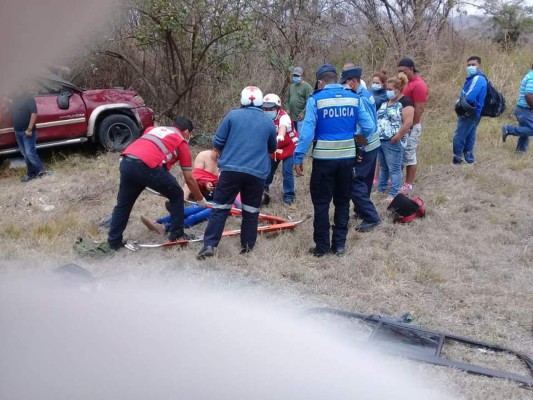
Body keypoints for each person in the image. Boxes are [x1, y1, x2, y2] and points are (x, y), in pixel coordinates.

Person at [294, 64, 375, 257]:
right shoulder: (355, 99)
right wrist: (357, 143)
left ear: (320, 82)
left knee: (321, 204)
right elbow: (369, 128)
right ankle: (339, 246)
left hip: (323, 161)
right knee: (342, 202)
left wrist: (298, 157)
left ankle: (321, 247)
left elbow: (306, 134)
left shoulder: (315, 100)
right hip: (347, 161)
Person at [197, 86, 277, 259]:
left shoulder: (232, 115)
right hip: (257, 173)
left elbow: (217, 141)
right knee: (251, 211)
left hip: (231, 170)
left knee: (220, 208)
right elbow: (272, 147)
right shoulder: (268, 122)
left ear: (242, 101)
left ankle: (209, 245)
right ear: (260, 102)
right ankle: (247, 249)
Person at [107, 117, 207, 250]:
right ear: (187, 132)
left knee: (123, 205)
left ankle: (114, 241)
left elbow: (150, 150)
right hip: (146, 165)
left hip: (127, 161)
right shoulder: (180, 141)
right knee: (177, 194)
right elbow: (189, 178)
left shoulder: (152, 129)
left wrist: (164, 188)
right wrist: (200, 199)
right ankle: (177, 235)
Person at [339, 67, 381, 232]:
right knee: (366, 180)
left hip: (366, 145)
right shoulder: (366, 93)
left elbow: (368, 127)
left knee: (355, 182)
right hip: (373, 144)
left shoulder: (361, 98)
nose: (344, 86)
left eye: (345, 83)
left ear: (353, 81)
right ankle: (361, 211)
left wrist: (359, 146)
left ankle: (371, 217)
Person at [376, 74, 414, 201]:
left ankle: (394, 193)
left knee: (394, 168)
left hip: (393, 141)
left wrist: (397, 136)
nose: (388, 91)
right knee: (383, 167)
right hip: (381, 140)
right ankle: (381, 189)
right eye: (387, 89)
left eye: (390, 89)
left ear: (398, 89)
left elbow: (408, 122)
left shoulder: (405, 103)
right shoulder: (385, 103)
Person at [397, 58, 428, 193]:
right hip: (401, 125)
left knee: (410, 154)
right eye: (398, 72)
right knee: (399, 153)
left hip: (411, 126)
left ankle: (408, 183)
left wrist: (410, 126)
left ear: (411, 69)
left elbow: (419, 108)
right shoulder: (403, 83)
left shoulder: (418, 85)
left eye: (403, 71)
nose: (400, 74)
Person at [262, 93, 299, 206]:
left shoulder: (284, 116)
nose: (268, 111)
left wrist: (280, 135)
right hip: (274, 147)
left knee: (287, 171)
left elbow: (283, 126)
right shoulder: (263, 117)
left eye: (271, 109)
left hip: (289, 146)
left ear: (277, 108)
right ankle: (263, 192)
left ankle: (289, 196)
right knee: (268, 170)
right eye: (265, 108)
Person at [452, 56, 488, 164]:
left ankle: (457, 159)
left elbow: (469, 98)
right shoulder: (473, 78)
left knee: (459, 135)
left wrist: (458, 103)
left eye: (473, 64)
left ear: (479, 66)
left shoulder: (478, 78)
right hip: (475, 112)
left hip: (469, 112)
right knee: (470, 134)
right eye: (468, 65)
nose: (470, 67)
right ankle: (469, 159)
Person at [11, 89, 45, 182]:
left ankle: (41, 171)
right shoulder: (14, 99)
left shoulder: (28, 98)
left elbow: (34, 114)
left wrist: (29, 129)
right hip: (18, 131)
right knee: (25, 154)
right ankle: (31, 174)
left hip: (27, 132)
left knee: (30, 153)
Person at [502, 64, 533, 152]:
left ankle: (520, 152)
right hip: (525, 110)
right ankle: (509, 129)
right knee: (530, 129)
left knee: (525, 131)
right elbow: (528, 95)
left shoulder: (530, 75)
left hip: (523, 109)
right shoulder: (532, 78)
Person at [287, 67, 313, 133]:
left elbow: (310, 102)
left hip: (301, 118)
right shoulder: (292, 87)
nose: (295, 77)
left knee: (301, 136)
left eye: (297, 76)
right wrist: (288, 110)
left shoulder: (307, 87)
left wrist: (303, 113)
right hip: (292, 117)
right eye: (294, 75)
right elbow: (288, 99)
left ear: (302, 76)